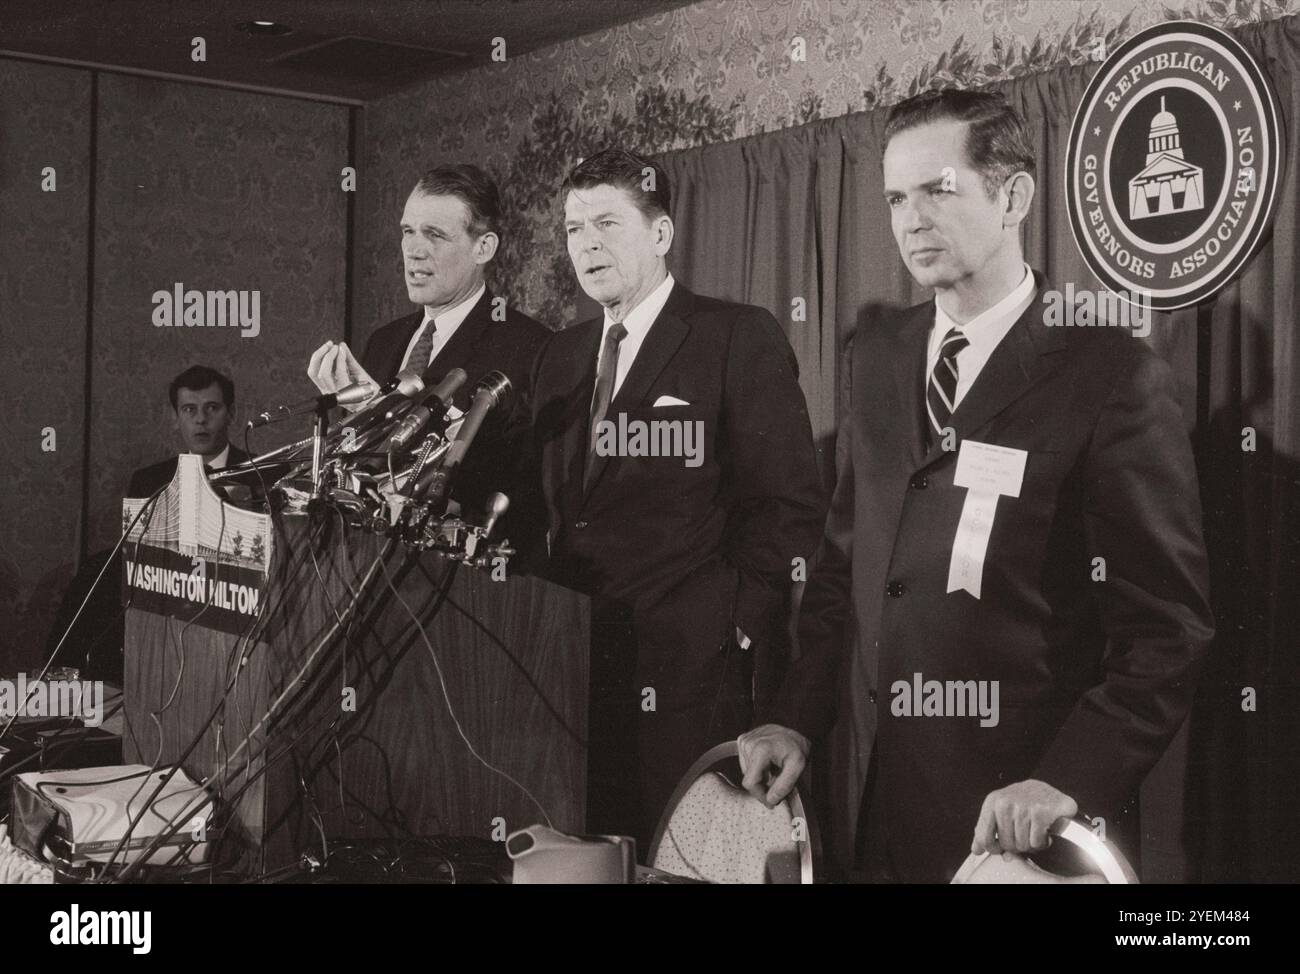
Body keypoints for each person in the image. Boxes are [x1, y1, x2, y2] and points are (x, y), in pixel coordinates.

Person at [740, 88, 1214, 882]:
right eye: (895, 197)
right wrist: (796, 718)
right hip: (872, 812)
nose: (910, 220)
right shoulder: (878, 358)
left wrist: (1069, 779)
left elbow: (1167, 631)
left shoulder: (1110, 377)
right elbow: (841, 568)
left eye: (939, 190)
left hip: (1016, 833)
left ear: (1015, 196)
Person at [527, 148, 825, 855]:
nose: (586, 245)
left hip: (692, 677)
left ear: (660, 235)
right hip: (570, 680)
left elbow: (789, 508)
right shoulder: (560, 357)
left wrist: (734, 625)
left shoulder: (734, 335)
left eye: (606, 222)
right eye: (573, 229)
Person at [306, 163, 548, 522]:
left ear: (483, 247)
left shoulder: (530, 348)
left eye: (434, 235)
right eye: (408, 232)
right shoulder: (383, 343)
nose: (414, 251)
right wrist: (362, 416)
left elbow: (516, 493)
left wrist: (389, 416)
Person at [127, 365, 247, 497]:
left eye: (212, 408)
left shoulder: (266, 474)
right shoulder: (146, 482)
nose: (201, 419)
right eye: (189, 409)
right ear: (175, 417)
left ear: (231, 414)